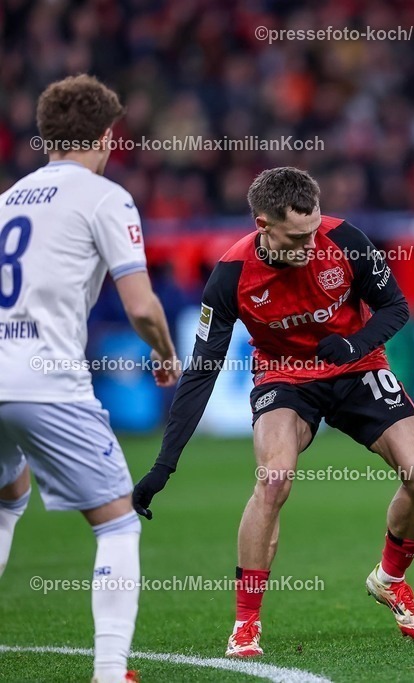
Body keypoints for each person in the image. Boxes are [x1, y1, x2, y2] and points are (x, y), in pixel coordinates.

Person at [131, 167, 414, 656]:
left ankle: (390, 578)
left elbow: (395, 307)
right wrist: (164, 465)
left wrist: (355, 342)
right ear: (263, 225)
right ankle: (246, 624)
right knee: (273, 478)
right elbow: (201, 371)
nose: (310, 244)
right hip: (285, 376)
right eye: (297, 237)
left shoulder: (345, 240)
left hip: (357, 364)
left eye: (314, 231)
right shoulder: (231, 276)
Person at [0, 75, 181, 683]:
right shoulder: (105, 196)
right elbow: (141, 306)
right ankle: (109, 672)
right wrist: (163, 351)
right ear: (107, 136)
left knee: (6, 500)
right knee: (118, 522)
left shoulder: (10, 197)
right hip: (47, 382)